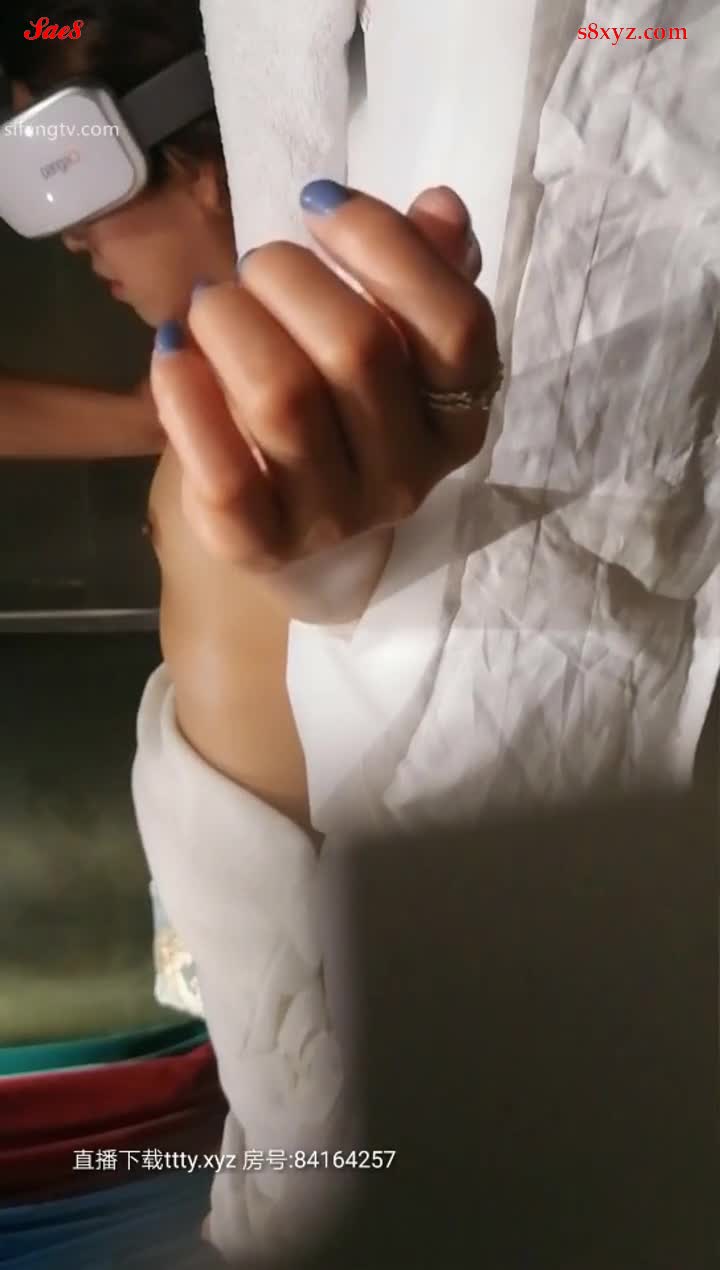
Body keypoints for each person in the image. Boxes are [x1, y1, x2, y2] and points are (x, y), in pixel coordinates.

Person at [0, 0, 502, 1259]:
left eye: (82, 193)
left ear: (204, 167)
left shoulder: (331, 430)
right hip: (281, 1061)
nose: (74, 242)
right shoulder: (210, 412)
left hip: (318, 1072)